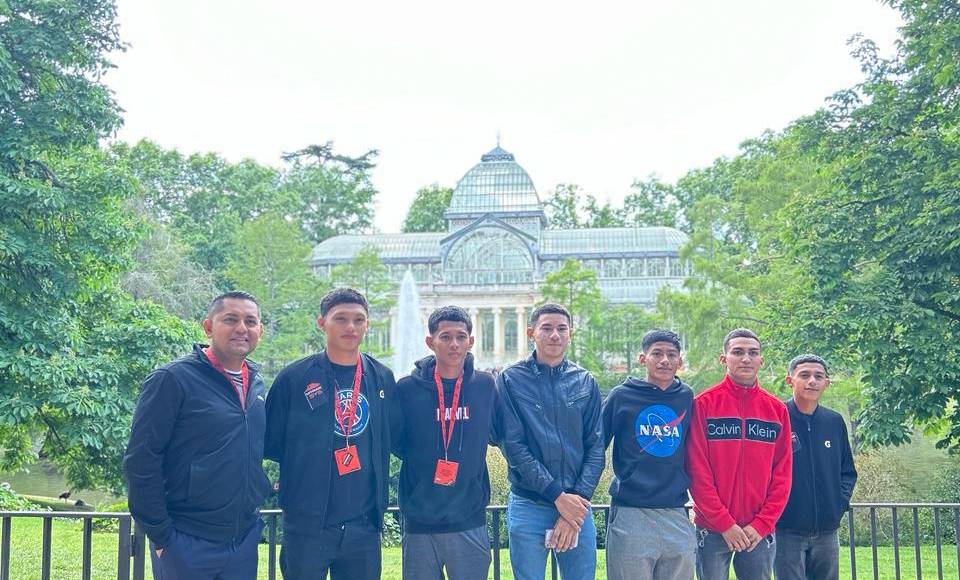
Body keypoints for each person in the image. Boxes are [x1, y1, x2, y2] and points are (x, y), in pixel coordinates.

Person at [124, 291, 271, 580]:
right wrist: (163, 536)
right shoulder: (173, 379)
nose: (242, 328)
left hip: (242, 540)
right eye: (231, 319)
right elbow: (141, 460)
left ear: (260, 331)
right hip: (186, 540)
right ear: (208, 327)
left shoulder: (256, 383)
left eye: (251, 321)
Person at [264, 288, 397, 580]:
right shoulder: (294, 378)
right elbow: (271, 443)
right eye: (341, 319)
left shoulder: (381, 377)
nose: (351, 327)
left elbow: (393, 435)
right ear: (321, 322)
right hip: (307, 526)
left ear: (367, 324)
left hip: (363, 526)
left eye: (359, 319)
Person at [496, 303, 604, 580]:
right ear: (531, 332)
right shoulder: (510, 380)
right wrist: (557, 496)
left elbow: (595, 447)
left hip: (578, 506)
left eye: (561, 328)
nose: (554, 334)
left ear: (570, 334)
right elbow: (514, 446)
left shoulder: (585, 381)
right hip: (529, 504)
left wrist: (574, 505)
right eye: (546, 328)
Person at [393, 306, 498, 580]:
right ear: (430, 342)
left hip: (468, 518)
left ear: (471, 341)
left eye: (461, 336)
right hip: (420, 521)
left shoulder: (486, 387)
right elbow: (397, 442)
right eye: (445, 336)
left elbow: (499, 433)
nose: (454, 344)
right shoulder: (406, 389)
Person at [686, 328, 792, 580]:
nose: (746, 358)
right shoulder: (703, 405)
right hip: (712, 529)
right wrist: (725, 524)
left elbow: (783, 474)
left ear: (761, 360)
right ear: (724, 359)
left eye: (752, 353)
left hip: (759, 531)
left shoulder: (776, 410)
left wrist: (762, 523)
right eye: (738, 352)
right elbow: (696, 471)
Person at [601, 329, 696, 580]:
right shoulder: (622, 396)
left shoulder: (686, 397)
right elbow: (595, 445)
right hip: (632, 511)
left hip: (676, 510)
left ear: (680, 362)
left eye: (671, 354)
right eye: (657, 353)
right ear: (643, 359)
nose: (664, 360)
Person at [775, 354, 857, 580]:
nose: (812, 381)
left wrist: (837, 505)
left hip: (827, 531)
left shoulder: (834, 421)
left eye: (818, 376)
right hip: (786, 530)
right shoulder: (776, 418)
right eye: (804, 375)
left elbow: (847, 472)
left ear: (826, 383)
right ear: (790, 380)